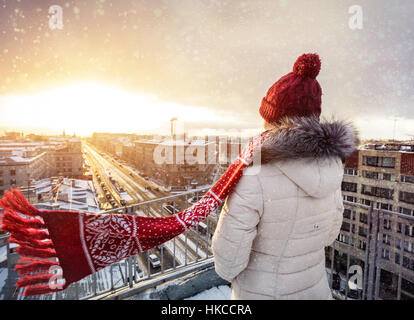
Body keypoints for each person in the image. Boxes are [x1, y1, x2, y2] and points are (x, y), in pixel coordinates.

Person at [212, 53, 360, 300]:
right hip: (315, 290)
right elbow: (329, 234)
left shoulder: (255, 173)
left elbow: (227, 261)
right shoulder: (331, 167)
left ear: (272, 120)